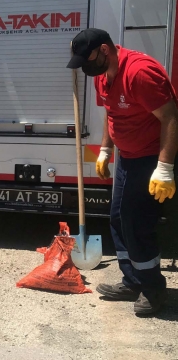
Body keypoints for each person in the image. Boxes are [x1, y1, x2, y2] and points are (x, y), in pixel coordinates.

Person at [67, 28, 178, 315]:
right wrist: (106, 150)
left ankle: (153, 289)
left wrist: (164, 167)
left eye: (87, 59)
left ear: (104, 49)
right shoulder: (102, 75)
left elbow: (171, 117)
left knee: (137, 224)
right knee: (117, 218)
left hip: (150, 159)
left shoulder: (140, 73)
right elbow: (111, 113)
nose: (86, 68)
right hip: (127, 158)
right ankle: (133, 280)